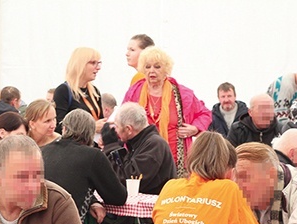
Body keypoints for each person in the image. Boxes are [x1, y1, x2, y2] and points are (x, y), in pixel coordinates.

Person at [123, 46, 211, 177]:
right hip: (141, 158)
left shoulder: (183, 94)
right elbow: (122, 119)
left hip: (175, 159)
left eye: (157, 67)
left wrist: (195, 129)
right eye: (147, 67)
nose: (151, 71)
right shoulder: (134, 92)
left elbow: (205, 114)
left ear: (166, 69)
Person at [41, 109, 126, 224]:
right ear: (91, 133)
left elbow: (70, 183)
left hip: (38, 223)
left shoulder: (43, 151)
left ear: (64, 129)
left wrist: (92, 201)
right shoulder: (93, 156)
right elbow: (118, 197)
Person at [111, 102, 176, 195]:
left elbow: (131, 181)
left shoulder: (154, 145)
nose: (115, 131)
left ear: (129, 129)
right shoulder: (139, 142)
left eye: (116, 126)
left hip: (155, 206)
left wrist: (111, 146)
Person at [53, 47, 105, 134]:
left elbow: (100, 119)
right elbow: (59, 127)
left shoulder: (94, 91)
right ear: (80, 65)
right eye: (93, 63)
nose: (98, 67)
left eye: (98, 63)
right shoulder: (64, 91)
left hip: (94, 144)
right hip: (74, 145)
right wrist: (92, 127)